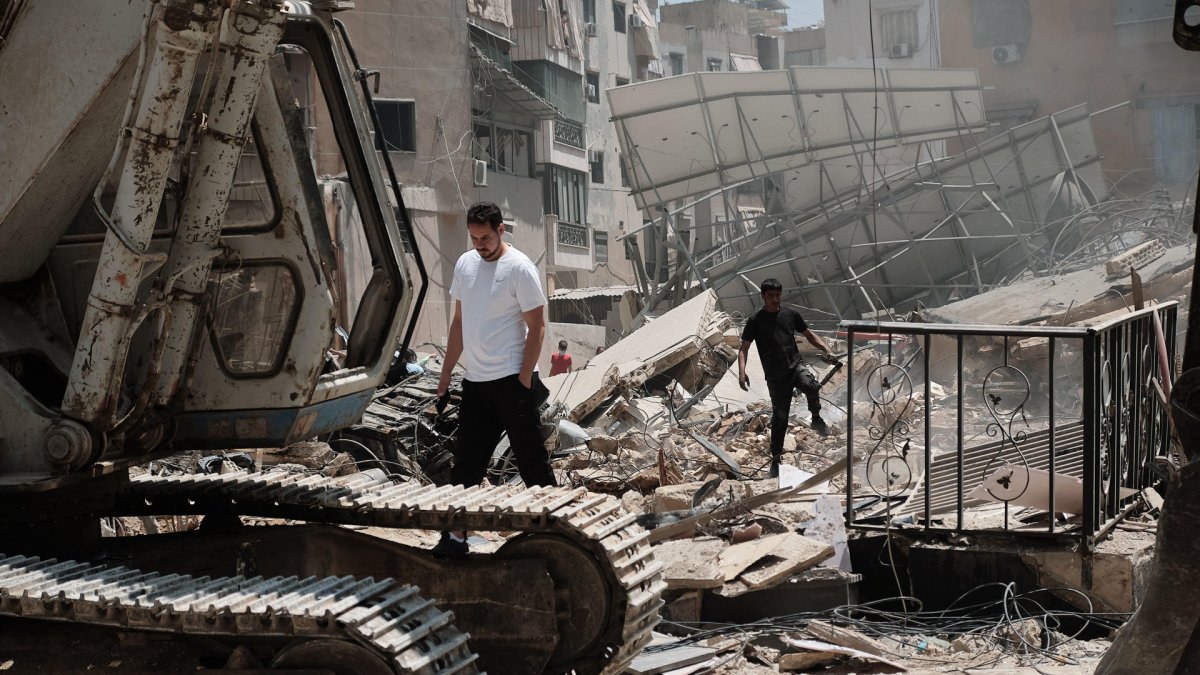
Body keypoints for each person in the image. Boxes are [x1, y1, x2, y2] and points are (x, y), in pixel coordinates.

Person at [433, 202, 557, 558]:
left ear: (501, 230)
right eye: (473, 238)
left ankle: (556, 533)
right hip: (476, 383)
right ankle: (455, 537)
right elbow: (459, 323)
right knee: (467, 465)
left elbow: (538, 327)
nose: (479, 244)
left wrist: (522, 379)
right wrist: (445, 374)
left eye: (485, 237)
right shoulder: (465, 264)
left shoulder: (519, 268)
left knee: (532, 461)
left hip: (512, 383)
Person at [738, 278, 835, 478]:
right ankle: (776, 461)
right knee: (780, 418)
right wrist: (742, 372)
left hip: (794, 367)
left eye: (778, 295)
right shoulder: (755, 321)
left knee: (811, 386)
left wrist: (826, 348)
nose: (775, 299)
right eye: (771, 296)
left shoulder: (790, 314)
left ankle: (816, 418)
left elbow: (809, 335)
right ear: (763, 297)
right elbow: (744, 349)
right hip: (776, 377)